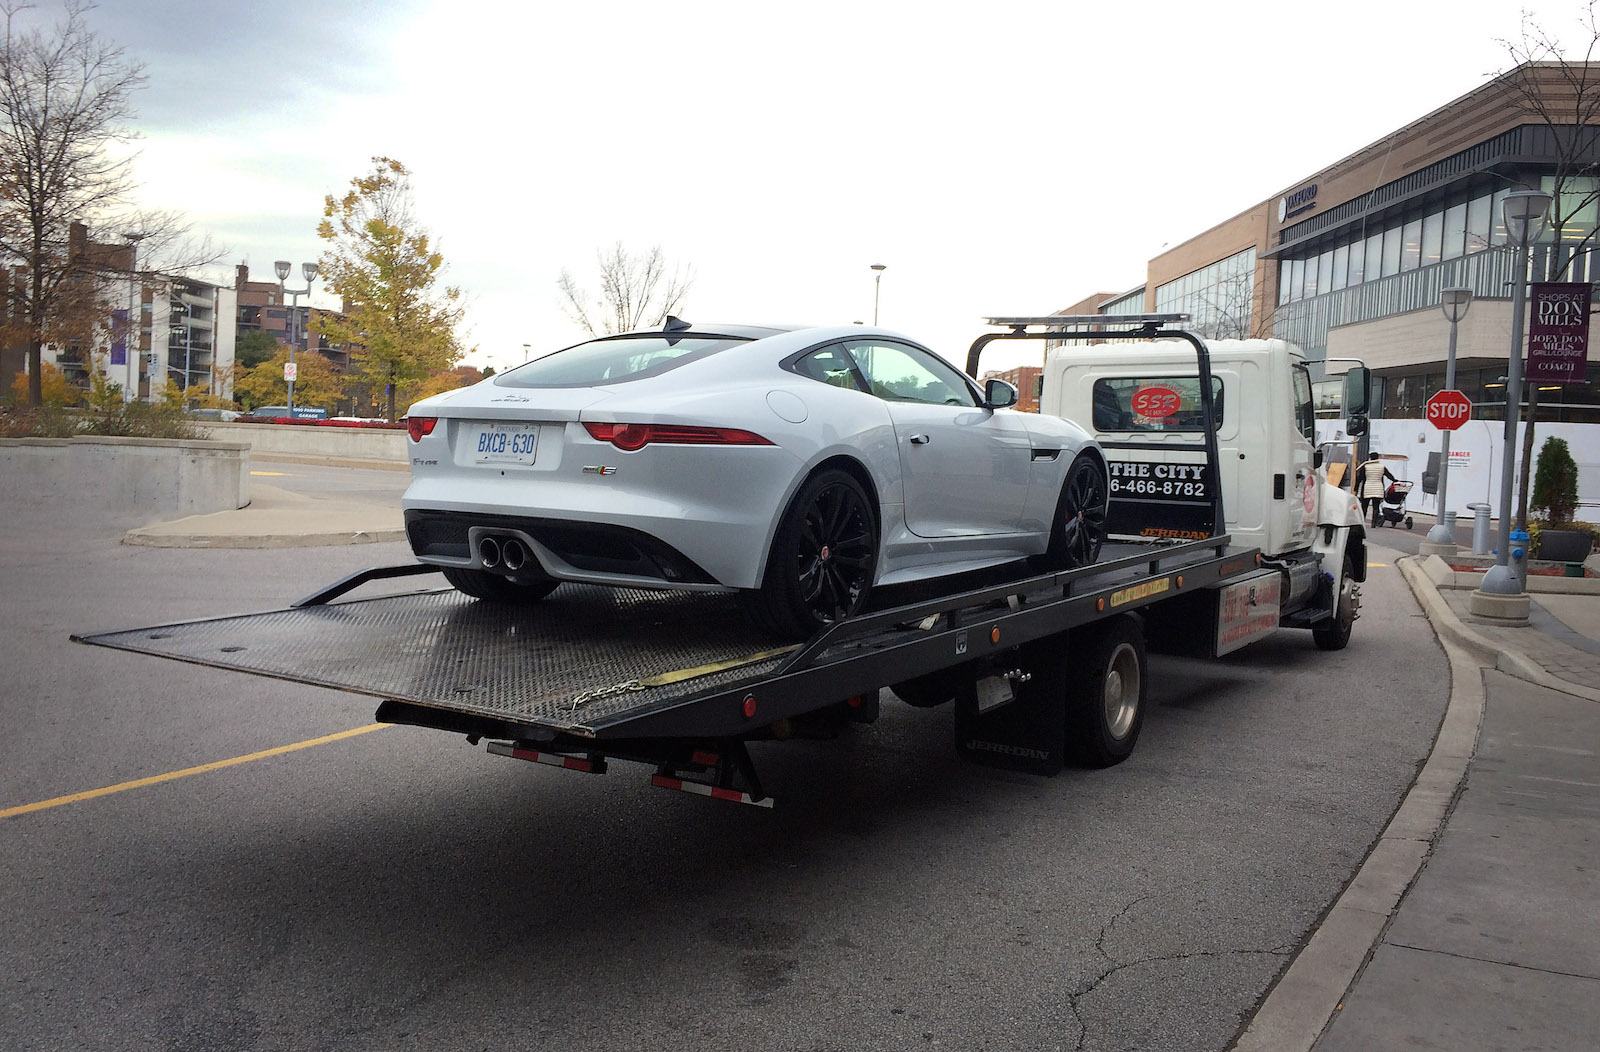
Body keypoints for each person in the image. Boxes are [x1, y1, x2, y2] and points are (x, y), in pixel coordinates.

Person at [1355, 453, 1397, 528]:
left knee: (1364, 507)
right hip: (1378, 489)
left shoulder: (1365, 467)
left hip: (1367, 489)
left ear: (1370, 458)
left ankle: (1362, 522)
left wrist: (1356, 488)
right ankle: (1373, 524)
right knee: (1376, 507)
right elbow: (1388, 475)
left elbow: (1359, 478)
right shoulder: (1381, 467)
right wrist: (1394, 480)